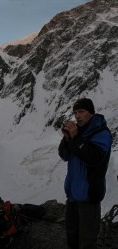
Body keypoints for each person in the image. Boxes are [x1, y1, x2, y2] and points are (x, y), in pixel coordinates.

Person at [58, 98, 112, 249]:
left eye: (81, 111)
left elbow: (94, 158)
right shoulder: (77, 132)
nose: (78, 116)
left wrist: (75, 138)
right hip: (73, 195)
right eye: (75, 112)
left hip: (89, 196)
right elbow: (64, 156)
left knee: (87, 242)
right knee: (72, 238)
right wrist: (67, 139)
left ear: (91, 113)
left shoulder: (101, 132)